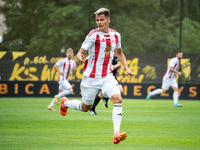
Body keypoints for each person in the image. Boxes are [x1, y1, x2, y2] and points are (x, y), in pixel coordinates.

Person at [59, 8, 134, 144]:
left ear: (108, 20)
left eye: (102, 20)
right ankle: (66, 103)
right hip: (90, 77)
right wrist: (80, 56)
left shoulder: (116, 35)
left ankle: (116, 133)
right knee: (85, 107)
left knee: (117, 99)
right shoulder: (93, 35)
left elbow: (119, 53)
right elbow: (80, 52)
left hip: (107, 76)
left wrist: (127, 68)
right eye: (97, 20)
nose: (99, 23)